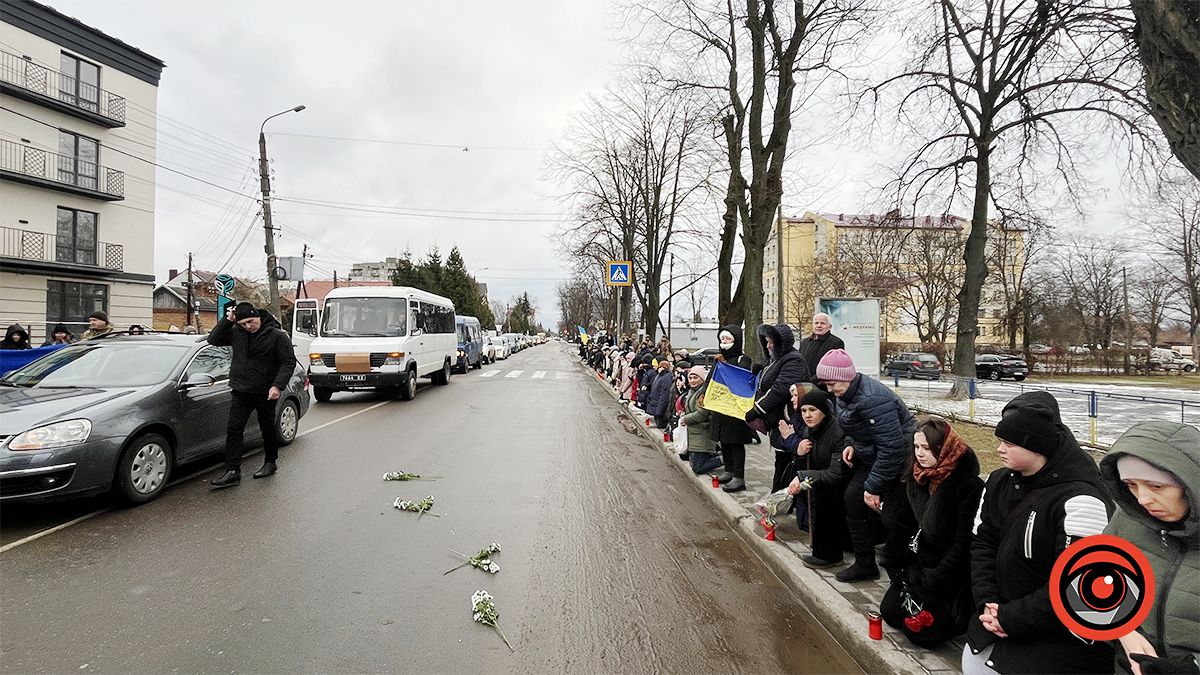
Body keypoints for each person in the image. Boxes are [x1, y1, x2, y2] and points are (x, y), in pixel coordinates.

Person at [964, 391, 1114, 675]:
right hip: (996, 618)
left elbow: (1076, 586)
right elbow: (983, 543)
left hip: (1057, 638)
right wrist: (988, 603)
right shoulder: (999, 481)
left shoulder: (1081, 499)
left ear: (1036, 446)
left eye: (1009, 443)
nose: (999, 450)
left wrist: (1011, 618)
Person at [1099, 422, 1198, 675]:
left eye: (1156, 486)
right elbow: (1087, 583)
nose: (1142, 499)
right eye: (1131, 485)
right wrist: (1123, 632)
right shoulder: (1127, 520)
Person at [880, 417, 984, 648]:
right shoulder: (918, 475)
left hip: (950, 570)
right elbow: (904, 523)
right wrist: (895, 561)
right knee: (890, 612)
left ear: (944, 448)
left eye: (927, 448)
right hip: (920, 562)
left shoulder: (966, 485)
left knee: (922, 633)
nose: (919, 454)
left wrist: (933, 579)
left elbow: (963, 544)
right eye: (916, 447)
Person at [816, 348, 917, 582]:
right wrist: (851, 443)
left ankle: (903, 572)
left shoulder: (873, 399)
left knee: (893, 518)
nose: (830, 390)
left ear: (846, 377)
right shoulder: (846, 393)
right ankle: (865, 564)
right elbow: (855, 426)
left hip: (898, 462)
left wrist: (873, 487)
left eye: (832, 384)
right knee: (853, 499)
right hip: (872, 455)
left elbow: (892, 448)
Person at [207, 302, 297, 488]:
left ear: (257, 316)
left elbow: (288, 362)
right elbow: (214, 339)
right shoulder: (237, 332)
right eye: (243, 324)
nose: (248, 326)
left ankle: (270, 462)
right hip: (241, 390)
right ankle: (233, 471)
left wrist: (277, 386)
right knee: (234, 429)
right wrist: (228, 320)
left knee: (267, 428)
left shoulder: (277, 336)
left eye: (250, 321)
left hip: (266, 391)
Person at [781, 387, 851, 568]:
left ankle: (831, 555)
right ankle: (822, 551)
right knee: (817, 503)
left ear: (824, 411)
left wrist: (802, 476)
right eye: (804, 410)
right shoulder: (810, 430)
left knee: (828, 505)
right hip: (820, 482)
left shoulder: (838, 431)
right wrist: (799, 450)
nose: (807, 415)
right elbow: (805, 463)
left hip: (840, 486)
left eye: (813, 410)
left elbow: (836, 474)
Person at [745, 323, 812, 493]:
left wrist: (757, 410)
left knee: (787, 463)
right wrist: (760, 370)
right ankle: (778, 496)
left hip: (791, 420)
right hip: (780, 420)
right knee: (781, 461)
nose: (768, 346)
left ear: (781, 343)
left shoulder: (793, 360)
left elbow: (779, 389)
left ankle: (783, 497)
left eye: (771, 342)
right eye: (766, 342)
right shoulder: (777, 359)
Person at [709, 325, 756, 493]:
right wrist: (703, 393)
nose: (724, 341)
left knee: (736, 443)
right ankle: (728, 470)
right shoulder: (718, 360)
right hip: (720, 408)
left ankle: (739, 477)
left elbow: (740, 375)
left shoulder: (744, 359)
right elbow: (711, 380)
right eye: (722, 339)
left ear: (736, 340)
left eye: (728, 338)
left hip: (736, 410)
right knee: (724, 441)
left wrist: (724, 364)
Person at [680, 365, 723, 475]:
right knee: (686, 458)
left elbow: (701, 414)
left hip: (702, 432)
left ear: (702, 378)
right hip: (694, 432)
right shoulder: (693, 391)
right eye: (690, 378)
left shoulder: (703, 393)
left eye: (695, 378)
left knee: (698, 468)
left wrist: (686, 419)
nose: (692, 380)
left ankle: (724, 459)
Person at [798, 313, 845, 386]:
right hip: (803, 385)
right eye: (816, 323)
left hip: (823, 387)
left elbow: (832, 369)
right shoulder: (804, 342)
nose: (819, 325)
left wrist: (810, 383)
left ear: (829, 327)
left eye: (822, 323)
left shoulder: (836, 343)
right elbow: (799, 363)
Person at [647, 358, 674, 429]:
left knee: (659, 425)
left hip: (659, 406)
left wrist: (659, 411)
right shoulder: (659, 375)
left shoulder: (665, 377)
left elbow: (664, 396)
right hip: (655, 404)